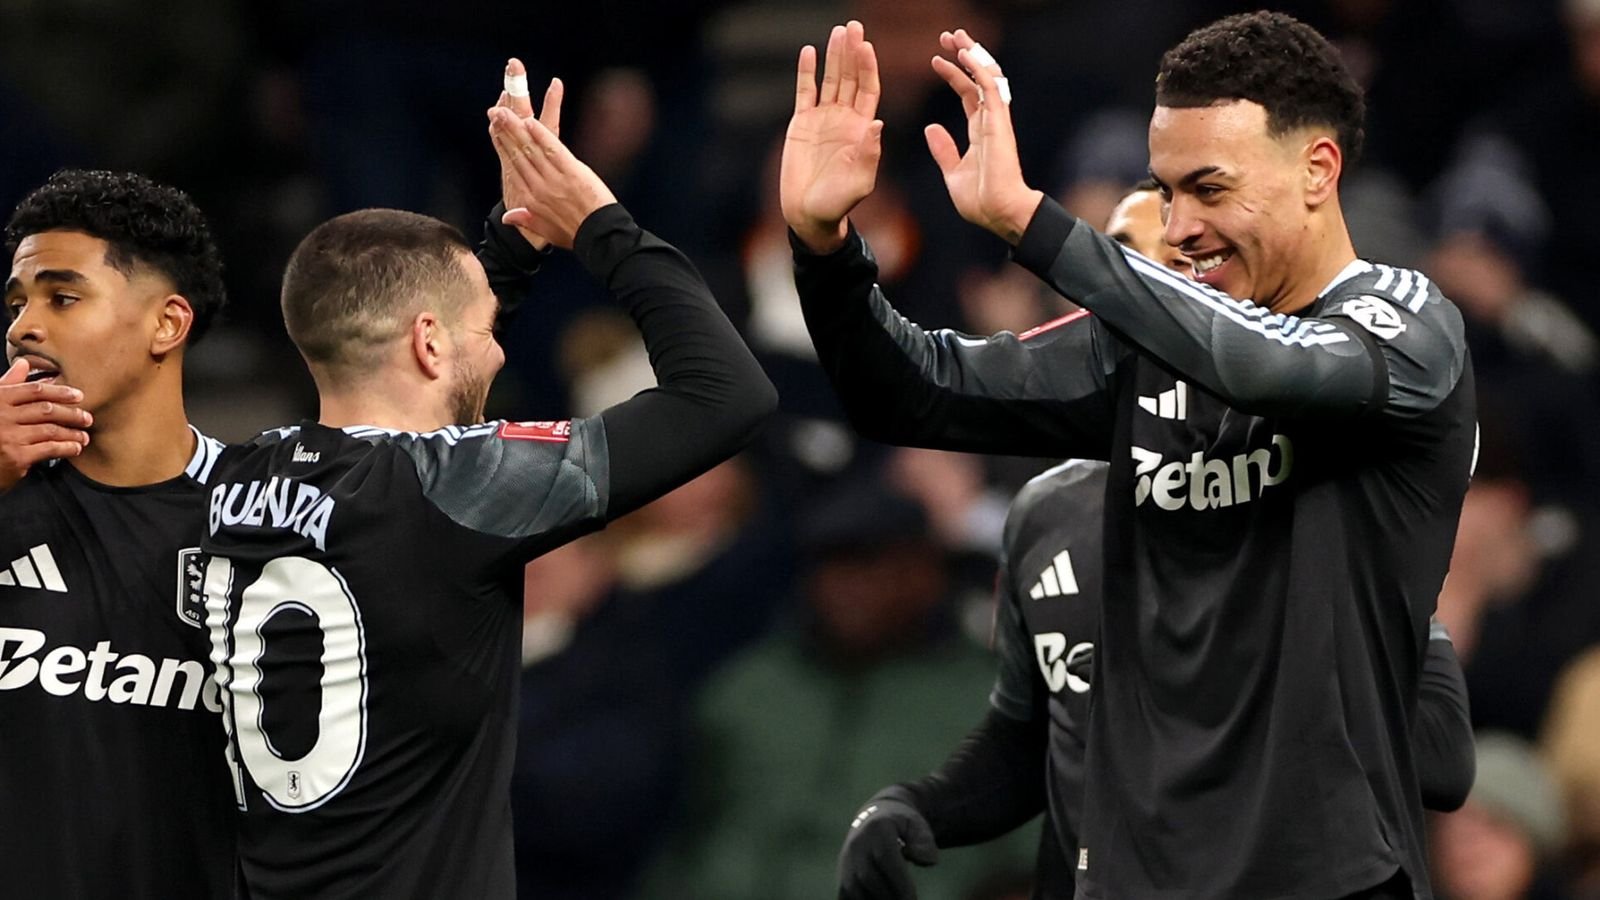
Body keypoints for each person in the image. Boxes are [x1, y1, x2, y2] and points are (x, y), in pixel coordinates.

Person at [783, 14, 1475, 899]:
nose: (1181, 225)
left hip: (1327, 880)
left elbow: (1262, 363)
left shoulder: (1406, 332)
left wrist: (1033, 222)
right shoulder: (1136, 359)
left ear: (1318, 170)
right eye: (1167, 191)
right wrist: (824, 249)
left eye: (1210, 189)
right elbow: (911, 389)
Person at [197, 72, 776, 897]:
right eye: (483, 331)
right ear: (430, 343)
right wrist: (602, 225)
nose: (501, 350)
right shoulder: (458, 486)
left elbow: (416, 362)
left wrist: (508, 245)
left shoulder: (232, 477)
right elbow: (729, 395)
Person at [0, 169, 237, 898]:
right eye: (17, 302)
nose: (21, 327)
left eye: (62, 297)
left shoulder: (260, 518)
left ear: (167, 324)